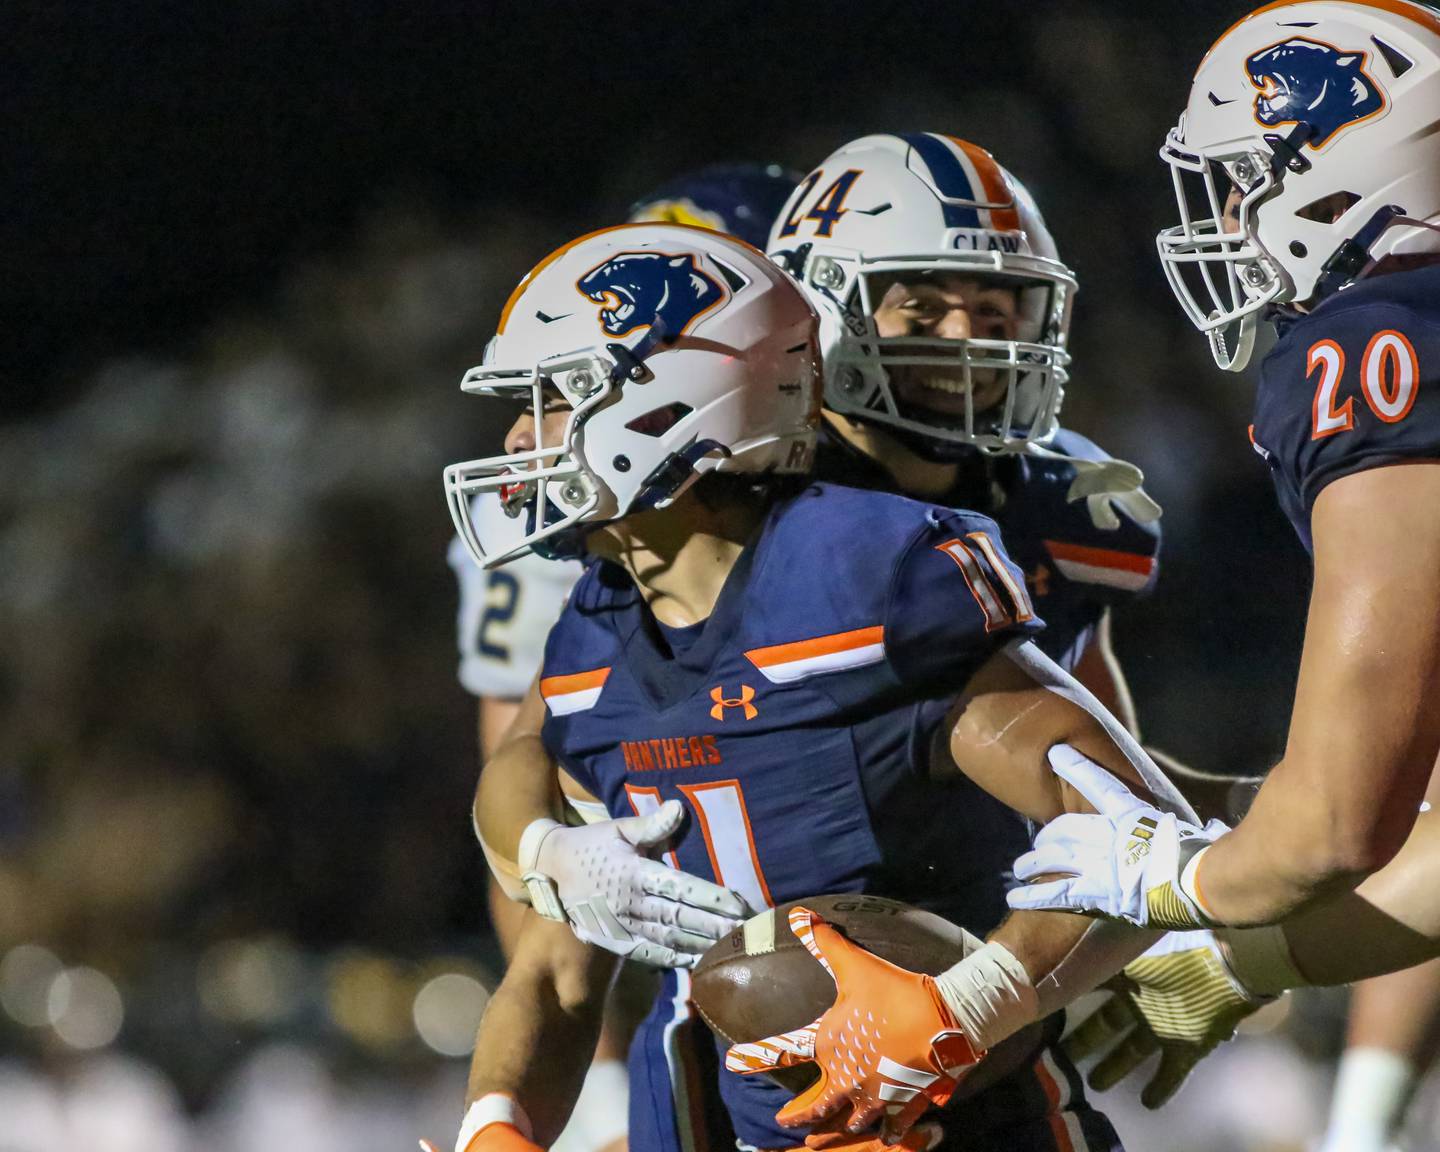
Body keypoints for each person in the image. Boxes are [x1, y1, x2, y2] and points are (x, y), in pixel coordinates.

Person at [440, 219, 1210, 1152]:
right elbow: (553, 956)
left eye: (553, 400)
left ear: (665, 407)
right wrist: (498, 1126)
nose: (522, 437)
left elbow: (1138, 830)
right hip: (695, 1115)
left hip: (944, 1127)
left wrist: (959, 1007)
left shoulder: (860, 574)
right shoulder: (599, 619)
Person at [989, 0, 1440, 1129]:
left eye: (1246, 176)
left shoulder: (1371, 342)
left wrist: (1171, 885)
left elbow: (1339, 820)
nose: (1232, 216)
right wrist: (1250, 962)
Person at [446, 164, 799, 1152]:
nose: (524, 437)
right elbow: (528, 785)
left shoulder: (872, 549)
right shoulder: (593, 566)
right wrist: (576, 1084)